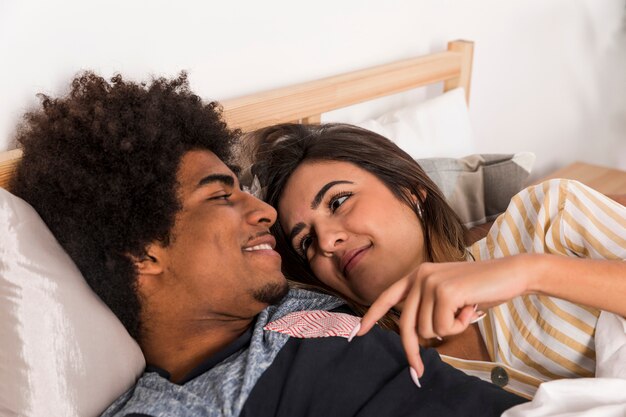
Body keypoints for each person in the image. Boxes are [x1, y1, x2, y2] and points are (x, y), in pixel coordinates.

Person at [10, 73, 525, 416]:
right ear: (143, 251)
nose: (265, 212)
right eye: (220, 196)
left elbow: (439, 238)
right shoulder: (179, 407)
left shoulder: (303, 288)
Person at [249, 122, 626, 398]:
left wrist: (532, 272)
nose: (328, 241)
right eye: (307, 242)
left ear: (411, 191)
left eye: (338, 201)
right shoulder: (373, 366)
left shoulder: (545, 219)